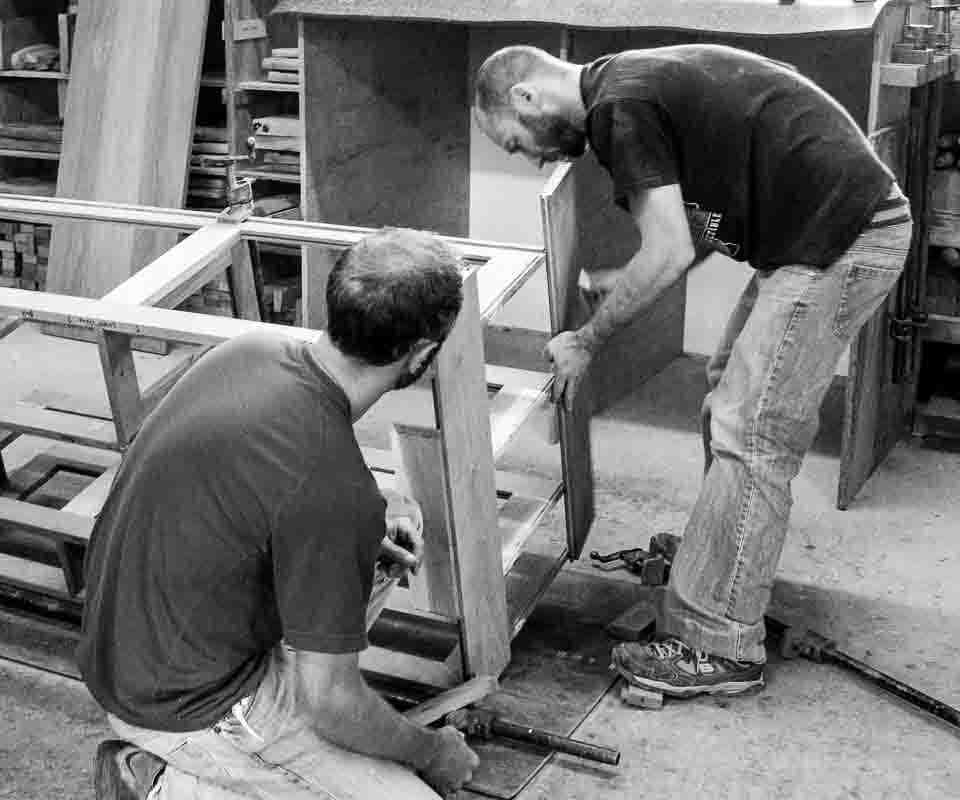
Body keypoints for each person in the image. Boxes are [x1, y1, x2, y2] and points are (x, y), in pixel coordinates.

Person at [474, 43, 911, 698]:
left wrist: (588, 340)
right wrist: (633, 277)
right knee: (726, 395)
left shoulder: (620, 107)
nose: (530, 157)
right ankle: (721, 564)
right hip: (819, 232)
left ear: (525, 97)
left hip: (844, 237)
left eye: (515, 143)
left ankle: (721, 640)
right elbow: (697, 224)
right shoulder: (627, 86)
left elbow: (671, 247)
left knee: (753, 428)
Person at [78, 227, 480, 799]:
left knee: (364, 561)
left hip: (127, 646)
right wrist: (432, 751)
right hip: (181, 702)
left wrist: (354, 533)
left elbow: (248, 487)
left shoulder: (252, 350)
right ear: (422, 354)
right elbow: (332, 706)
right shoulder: (329, 483)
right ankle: (159, 780)